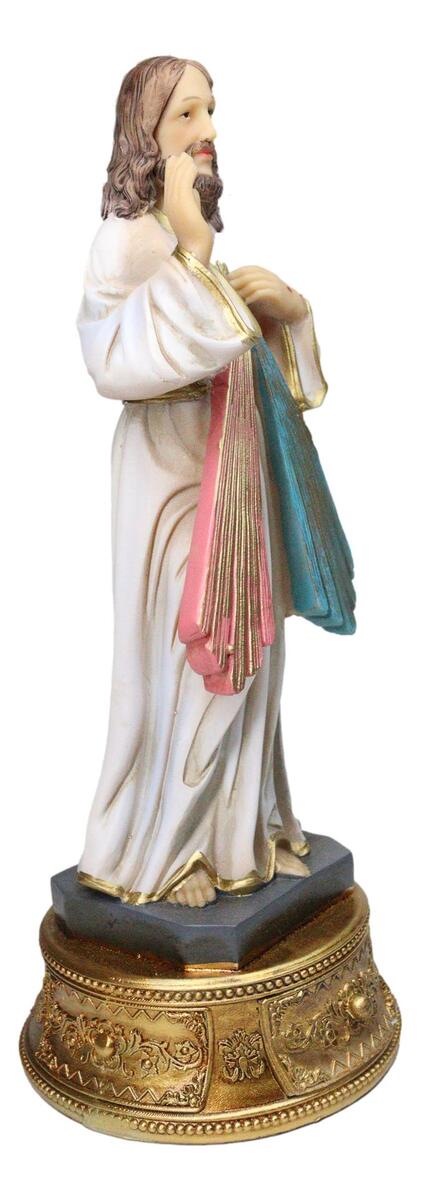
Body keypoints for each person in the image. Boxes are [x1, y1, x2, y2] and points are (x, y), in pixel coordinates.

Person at [76, 56, 330, 908]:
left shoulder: (188, 245)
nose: (208, 130)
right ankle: (166, 852)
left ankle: (238, 837)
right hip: (169, 480)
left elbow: (253, 370)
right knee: (192, 656)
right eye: (186, 114)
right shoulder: (127, 242)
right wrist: (191, 254)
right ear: (145, 133)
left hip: (234, 475)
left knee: (249, 651)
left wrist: (288, 315)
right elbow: (111, 358)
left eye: (210, 111)